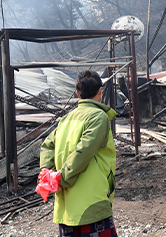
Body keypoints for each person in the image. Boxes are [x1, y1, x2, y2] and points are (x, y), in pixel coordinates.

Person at [40, 70, 118, 237]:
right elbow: (83, 152)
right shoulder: (98, 117)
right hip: (91, 202)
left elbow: (47, 145)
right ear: (100, 91)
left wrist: (49, 175)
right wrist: (62, 180)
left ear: (77, 93)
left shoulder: (66, 119)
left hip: (66, 207)